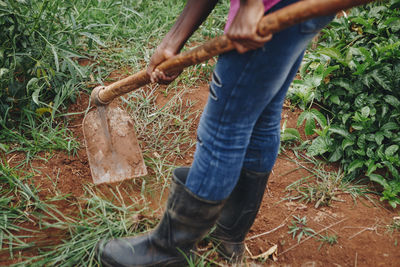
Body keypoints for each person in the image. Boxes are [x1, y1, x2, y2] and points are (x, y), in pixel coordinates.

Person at [97, 0, 334, 266]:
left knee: (223, 130)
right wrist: (173, 40)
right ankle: (229, 235)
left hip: (270, 9)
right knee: (263, 116)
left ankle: (168, 250)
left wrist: (249, 6)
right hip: (307, 7)